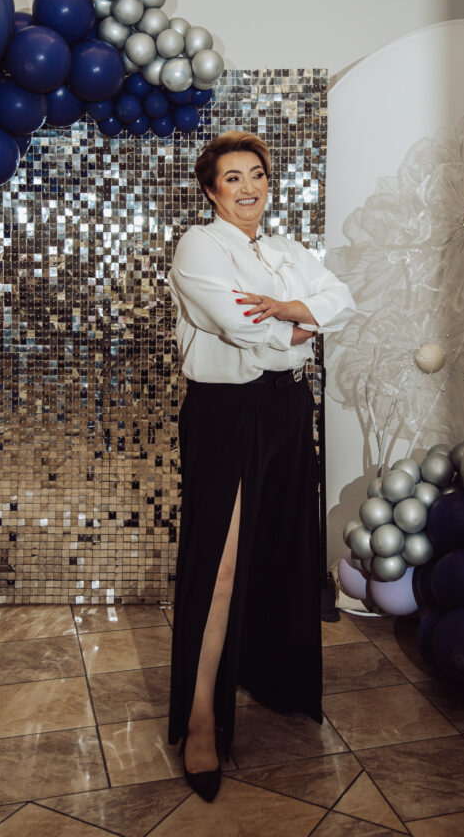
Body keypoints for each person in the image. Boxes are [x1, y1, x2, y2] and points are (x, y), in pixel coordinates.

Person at [167, 130, 355, 801]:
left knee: (282, 549)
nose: (248, 188)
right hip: (229, 411)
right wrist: (298, 327)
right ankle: (199, 721)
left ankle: (271, 677)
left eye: (256, 175)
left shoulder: (284, 250)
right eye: (232, 178)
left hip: (287, 408)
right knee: (220, 567)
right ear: (210, 190)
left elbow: (341, 299)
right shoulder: (199, 246)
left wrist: (297, 311)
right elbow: (242, 326)